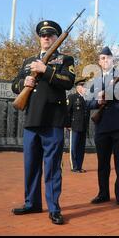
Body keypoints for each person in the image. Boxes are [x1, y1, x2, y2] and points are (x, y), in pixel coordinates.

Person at [11, 20, 75, 225]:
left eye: (50, 35)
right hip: (32, 120)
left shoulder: (65, 59)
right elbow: (14, 85)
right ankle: (32, 203)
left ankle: (54, 208)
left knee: (52, 167)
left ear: (57, 38)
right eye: (43, 35)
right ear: (39, 37)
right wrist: (24, 82)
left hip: (53, 120)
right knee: (31, 165)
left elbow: (69, 82)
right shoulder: (28, 61)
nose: (46, 38)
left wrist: (45, 69)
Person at [87, 46, 119, 209]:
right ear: (99, 62)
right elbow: (88, 102)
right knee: (103, 163)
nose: (105, 60)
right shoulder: (95, 81)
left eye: (107, 57)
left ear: (112, 60)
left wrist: (106, 94)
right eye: (102, 58)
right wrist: (98, 101)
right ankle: (103, 193)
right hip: (102, 126)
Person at [66, 77, 90, 173]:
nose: (85, 88)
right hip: (74, 126)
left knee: (81, 147)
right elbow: (67, 111)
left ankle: (79, 166)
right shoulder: (72, 97)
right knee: (74, 147)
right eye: (84, 86)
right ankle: (74, 166)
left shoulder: (86, 98)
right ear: (78, 87)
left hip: (83, 126)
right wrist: (67, 124)